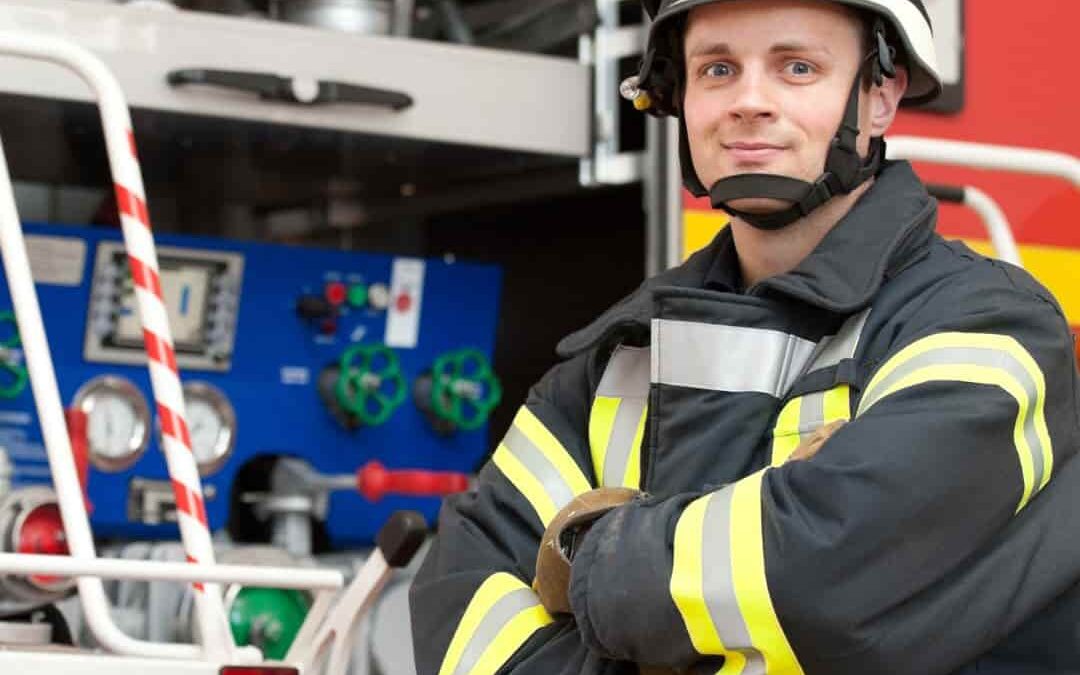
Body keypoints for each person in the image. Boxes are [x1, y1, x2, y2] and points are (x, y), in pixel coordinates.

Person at [409, 1, 1080, 673]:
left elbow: (816, 582)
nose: (749, 101)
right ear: (679, 96)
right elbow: (459, 592)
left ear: (880, 96)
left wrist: (594, 549)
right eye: (718, 68)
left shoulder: (987, 325)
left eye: (796, 67)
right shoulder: (621, 355)